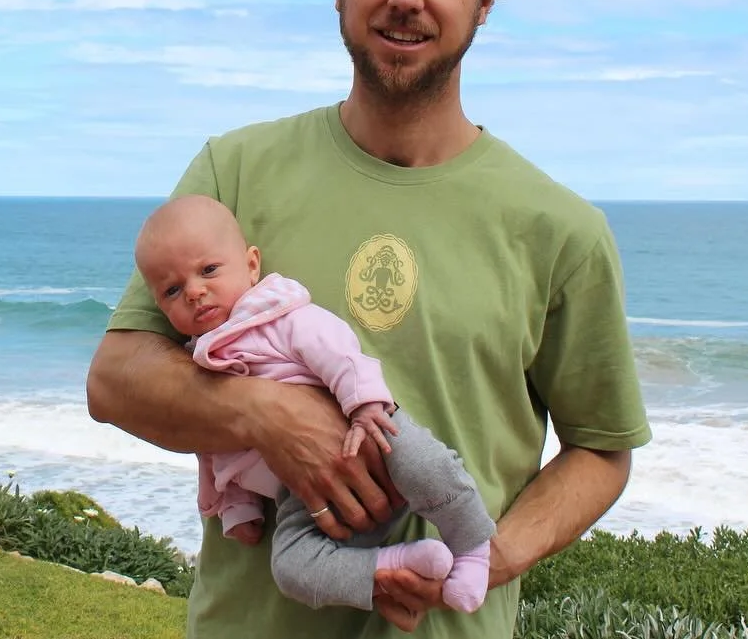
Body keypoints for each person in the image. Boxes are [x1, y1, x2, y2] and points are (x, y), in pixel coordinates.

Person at [85, 0, 652, 639]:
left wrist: (488, 558)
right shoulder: (235, 170)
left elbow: (602, 449)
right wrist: (267, 416)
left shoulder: (560, 228)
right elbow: (115, 379)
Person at [133, 193, 496, 613]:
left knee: (426, 465)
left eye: (209, 270)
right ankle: (395, 563)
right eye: (173, 290)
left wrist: (364, 405)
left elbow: (339, 351)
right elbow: (217, 446)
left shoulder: (275, 314)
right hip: (301, 496)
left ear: (252, 265)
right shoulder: (197, 360)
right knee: (289, 567)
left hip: (365, 427)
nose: (194, 292)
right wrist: (238, 507)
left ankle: (471, 547)